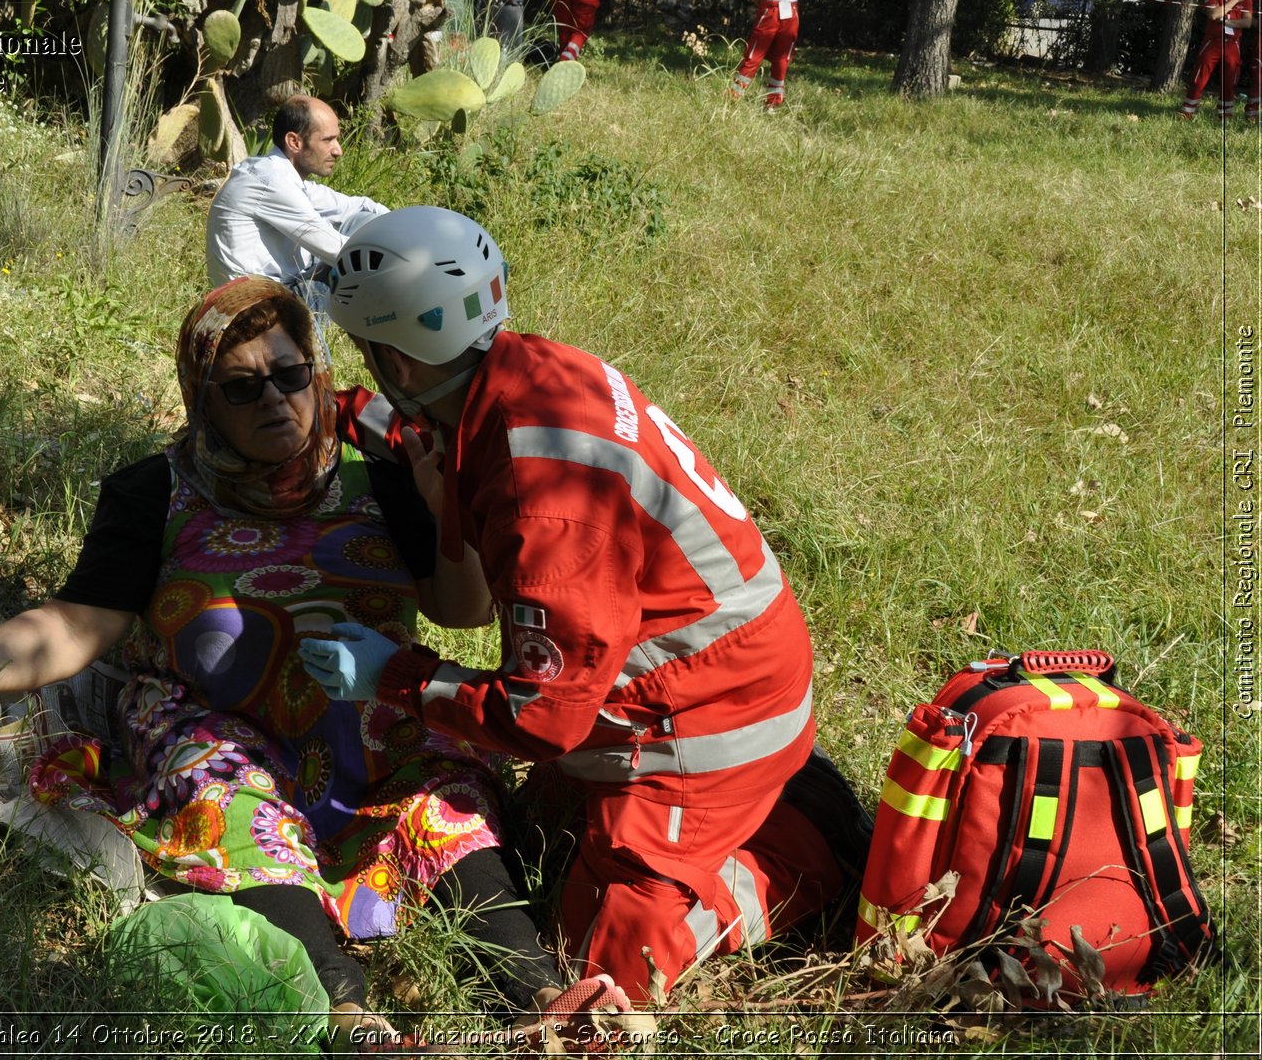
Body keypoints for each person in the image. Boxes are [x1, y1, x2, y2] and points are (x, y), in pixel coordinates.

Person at [0, 276, 625, 1051]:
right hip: (211, 721)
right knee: (234, 807)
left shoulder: (382, 470)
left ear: (317, 374)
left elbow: (462, 609)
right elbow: (77, 623)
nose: (275, 399)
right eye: (241, 388)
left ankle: (544, 999)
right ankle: (356, 1026)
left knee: (443, 795)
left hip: (371, 714)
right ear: (202, 400)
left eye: (290, 375)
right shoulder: (154, 492)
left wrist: (446, 508)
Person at [299, 207, 872, 1004]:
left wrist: (398, 675)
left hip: (709, 715)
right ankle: (754, 807)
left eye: (367, 351)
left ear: (396, 353)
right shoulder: (525, 371)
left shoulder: (546, 506)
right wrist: (340, 410)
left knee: (595, 972)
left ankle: (795, 856)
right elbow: (434, 437)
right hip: (718, 667)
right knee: (539, 838)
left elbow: (541, 720)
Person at [205, 96, 387, 345]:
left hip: (286, 290)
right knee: (365, 256)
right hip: (261, 311)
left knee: (362, 221)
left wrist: (404, 228)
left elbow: (358, 205)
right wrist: (409, 265)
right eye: (328, 140)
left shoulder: (285, 178)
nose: (338, 150)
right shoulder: (270, 182)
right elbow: (339, 251)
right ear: (294, 142)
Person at [1181, 0, 1254, 119]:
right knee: (1199, 77)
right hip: (1213, 41)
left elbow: (1247, 22)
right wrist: (1235, 0)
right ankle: (1187, 110)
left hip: (1232, 43)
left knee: (1230, 80)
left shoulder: (1246, 0)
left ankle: (1225, 114)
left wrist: (1226, 22)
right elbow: (1214, 14)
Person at [729, 0, 801, 110]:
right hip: (771, 7)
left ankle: (773, 102)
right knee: (754, 55)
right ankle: (732, 97)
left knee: (782, 59)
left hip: (790, 9)